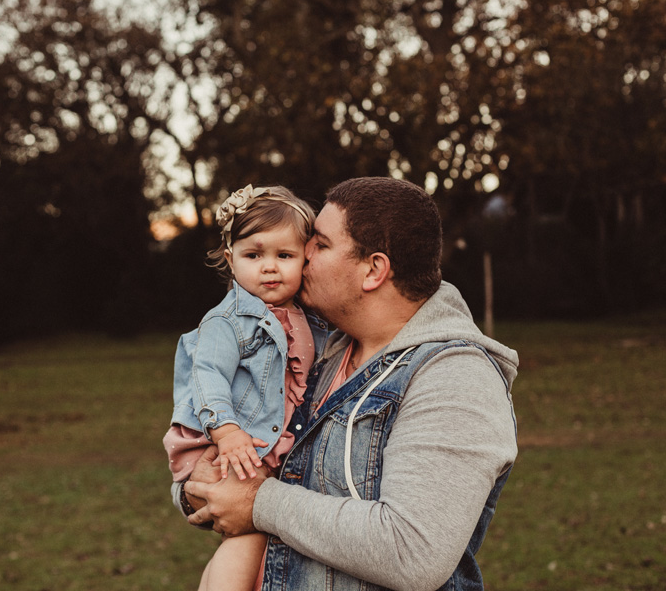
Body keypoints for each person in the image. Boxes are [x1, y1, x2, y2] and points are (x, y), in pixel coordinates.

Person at [177, 176, 519, 591]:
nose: (304, 255)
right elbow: (240, 453)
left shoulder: (456, 379)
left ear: (374, 269)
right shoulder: (318, 348)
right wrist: (200, 486)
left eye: (319, 244)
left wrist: (258, 503)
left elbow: (411, 552)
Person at [164, 184, 330, 591]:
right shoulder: (229, 322)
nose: (269, 267)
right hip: (227, 445)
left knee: (257, 539)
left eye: (284, 256)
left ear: (305, 260)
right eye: (254, 255)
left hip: (260, 446)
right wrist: (226, 431)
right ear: (230, 259)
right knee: (250, 533)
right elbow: (206, 376)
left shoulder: (309, 318)